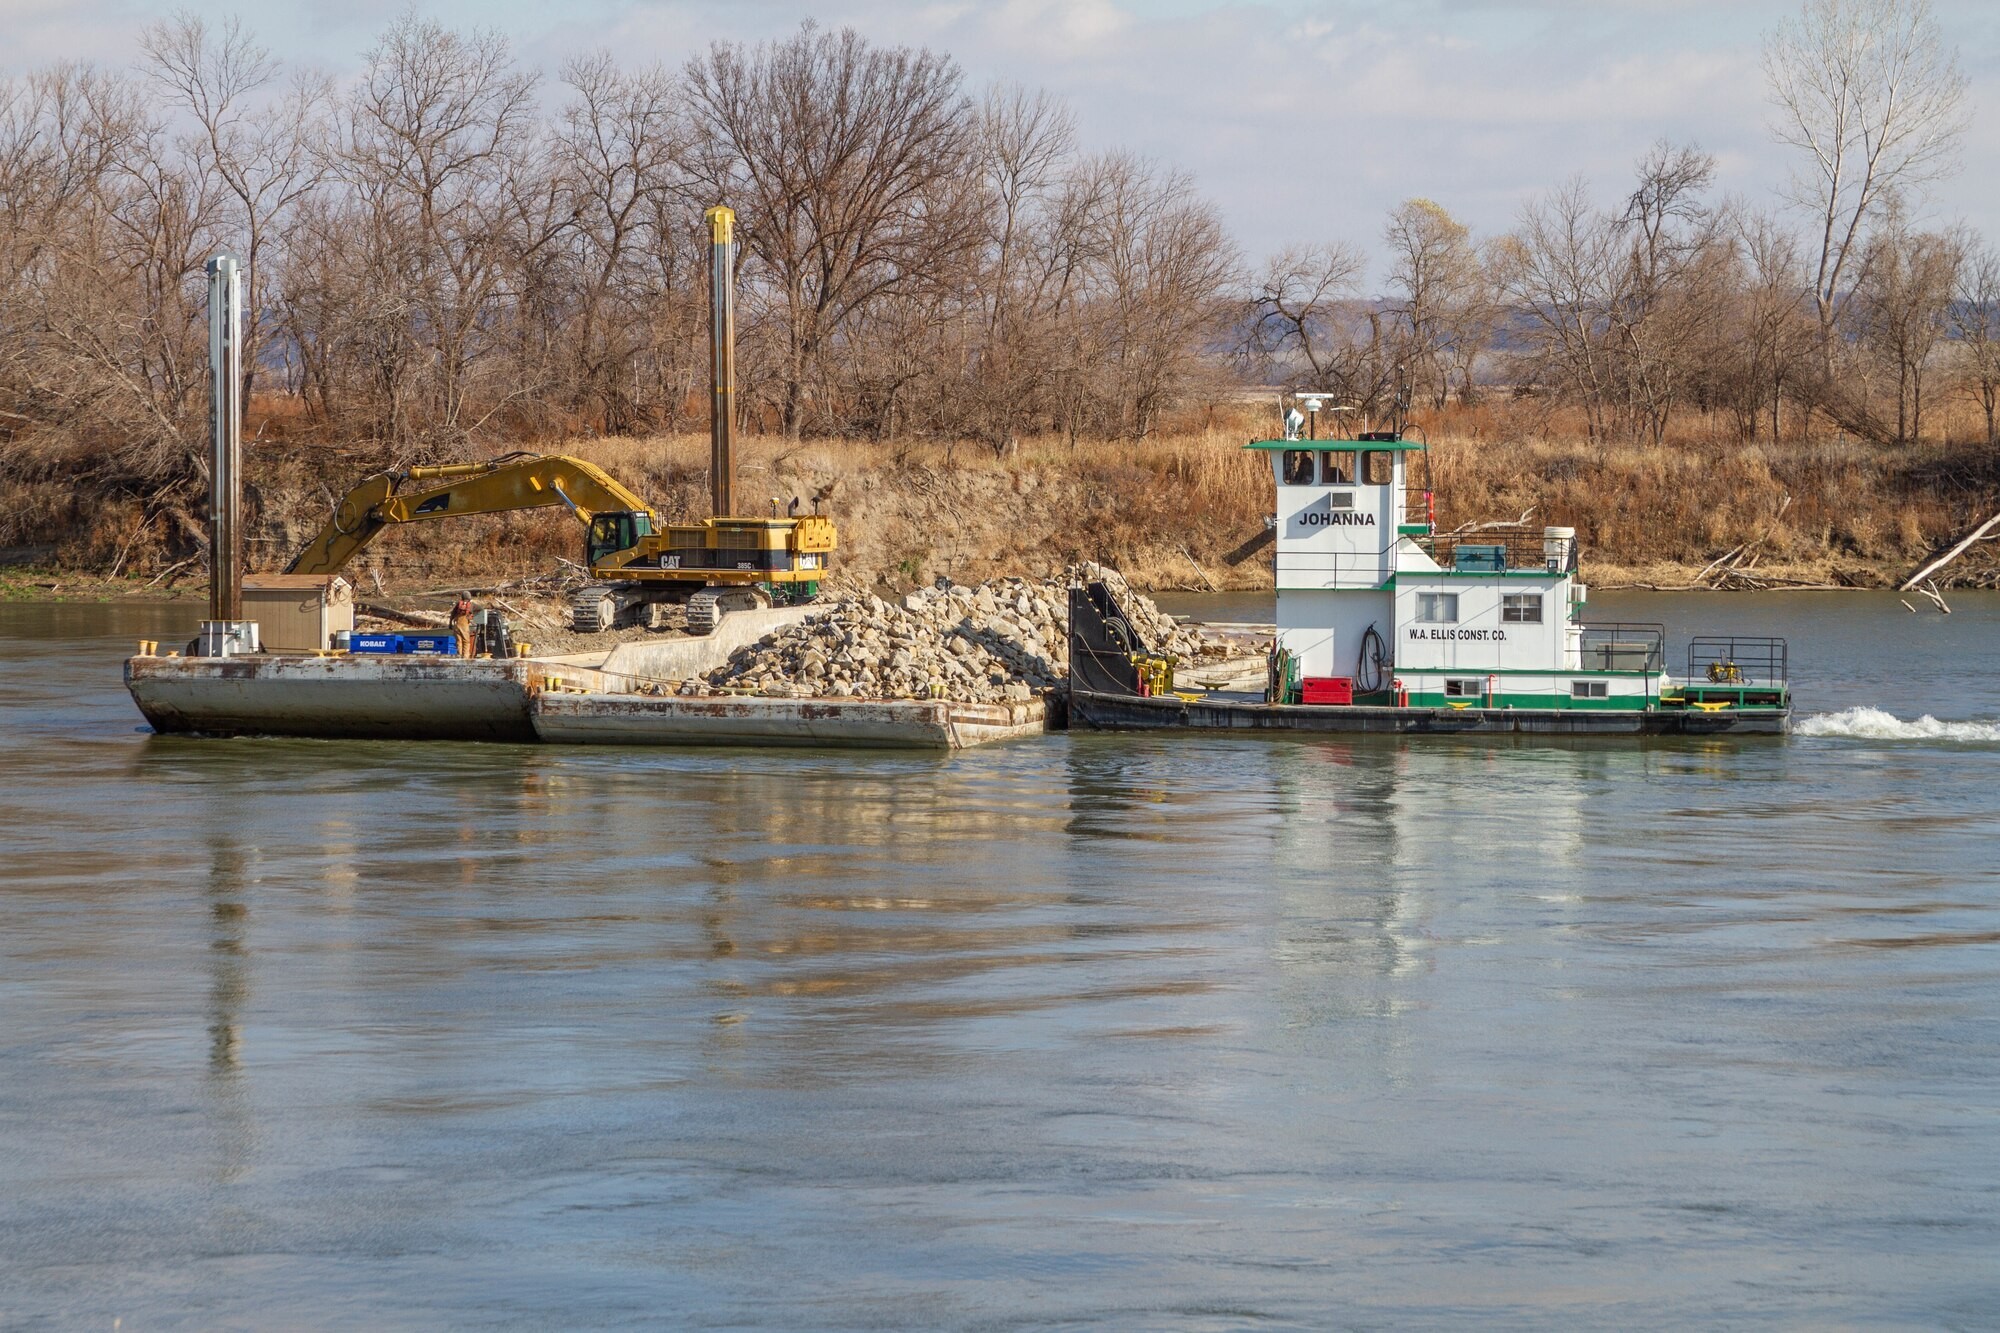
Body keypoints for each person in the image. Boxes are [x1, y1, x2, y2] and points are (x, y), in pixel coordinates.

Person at [451, 594, 474, 658]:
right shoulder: (471, 605)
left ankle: (459, 655)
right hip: (464, 626)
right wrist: (472, 616)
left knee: (459, 641)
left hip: (457, 625)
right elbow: (481, 609)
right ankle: (465, 657)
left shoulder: (458, 604)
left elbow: (452, 613)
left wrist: (450, 624)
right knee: (466, 641)